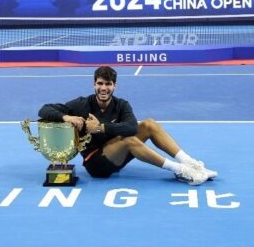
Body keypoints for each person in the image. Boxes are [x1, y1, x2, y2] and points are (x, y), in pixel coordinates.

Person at [38, 66, 217, 185]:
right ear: (94, 84)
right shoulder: (81, 104)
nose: (103, 88)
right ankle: (181, 171)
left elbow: (132, 127)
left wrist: (101, 128)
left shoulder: (122, 104)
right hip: (96, 164)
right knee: (129, 141)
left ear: (114, 86)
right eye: (100, 83)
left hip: (117, 156)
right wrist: (66, 116)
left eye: (108, 84)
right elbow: (44, 109)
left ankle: (191, 163)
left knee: (149, 124)